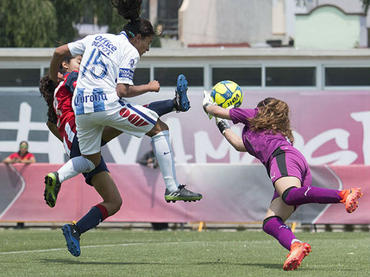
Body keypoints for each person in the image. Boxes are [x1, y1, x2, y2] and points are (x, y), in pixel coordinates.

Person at [45, 0, 201, 214]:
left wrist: (55, 79)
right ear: (137, 38)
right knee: (159, 128)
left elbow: (57, 52)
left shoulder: (96, 38)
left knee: (89, 160)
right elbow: (122, 91)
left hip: (82, 110)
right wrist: (149, 86)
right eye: (148, 43)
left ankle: (57, 176)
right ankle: (172, 188)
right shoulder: (130, 51)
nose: (147, 49)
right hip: (106, 105)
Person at [203, 94, 363, 271]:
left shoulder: (255, 114)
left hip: (282, 157)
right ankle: (296, 246)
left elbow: (215, 110)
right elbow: (238, 144)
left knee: (289, 194)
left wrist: (209, 105)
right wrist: (220, 124)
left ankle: (343, 194)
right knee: (271, 221)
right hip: (293, 160)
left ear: (264, 109)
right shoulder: (262, 133)